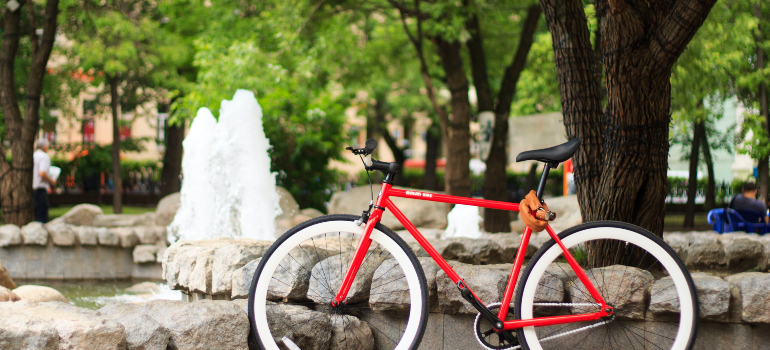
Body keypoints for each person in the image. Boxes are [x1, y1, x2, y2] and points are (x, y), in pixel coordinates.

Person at [33, 138, 56, 223]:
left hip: (32, 190)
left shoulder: (33, 155)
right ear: (45, 146)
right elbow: (42, 173)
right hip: (40, 190)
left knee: (35, 214)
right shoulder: (44, 156)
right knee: (41, 215)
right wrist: (51, 181)